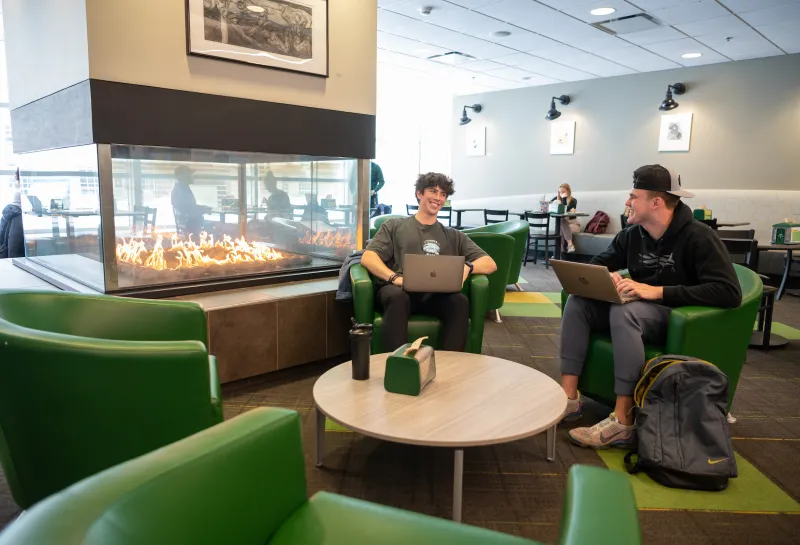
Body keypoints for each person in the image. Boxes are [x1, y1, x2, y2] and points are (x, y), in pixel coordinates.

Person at [561, 165, 741, 449]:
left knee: (625, 311)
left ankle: (623, 421)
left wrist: (658, 292)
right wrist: (605, 275)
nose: (627, 202)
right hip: (639, 310)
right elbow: (598, 263)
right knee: (578, 301)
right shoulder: (632, 235)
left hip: (679, 316)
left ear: (656, 202)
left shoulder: (699, 236)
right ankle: (568, 399)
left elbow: (729, 292)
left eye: (634, 196)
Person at [362, 172, 497, 352]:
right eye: (433, 191)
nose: (438, 198)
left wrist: (468, 267)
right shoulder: (394, 226)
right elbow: (368, 257)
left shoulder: (453, 235)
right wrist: (395, 278)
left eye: (443, 194)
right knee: (398, 298)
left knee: (459, 302)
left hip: (435, 295)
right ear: (419, 193)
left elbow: (490, 263)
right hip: (398, 291)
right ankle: (397, 363)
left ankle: (451, 363)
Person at [171, 166, 212, 238]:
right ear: (184, 177)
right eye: (190, 175)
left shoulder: (181, 188)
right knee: (218, 226)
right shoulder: (182, 190)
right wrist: (205, 209)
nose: (192, 177)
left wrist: (204, 208)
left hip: (189, 221)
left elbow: (190, 207)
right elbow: (189, 209)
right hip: (191, 223)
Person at [550, 183, 580, 254]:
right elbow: (550, 206)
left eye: (563, 192)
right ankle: (569, 246)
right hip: (562, 224)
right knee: (561, 224)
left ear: (568, 191)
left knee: (561, 226)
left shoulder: (573, 201)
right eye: (560, 192)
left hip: (573, 224)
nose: (561, 194)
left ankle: (558, 255)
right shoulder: (556, 199)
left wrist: (563, 198)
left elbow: (564, 210)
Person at [0, 187, 24, 259]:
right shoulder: (18, 216)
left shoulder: (7, 213)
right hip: (13, 256)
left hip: (4, 254)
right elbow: (14, 244)